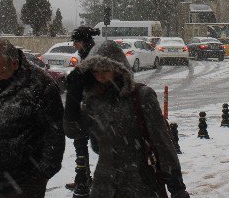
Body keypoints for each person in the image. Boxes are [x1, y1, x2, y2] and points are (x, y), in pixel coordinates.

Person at [65, 41, 190, 198]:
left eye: (105, 70)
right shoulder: (94, 100)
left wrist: (176, 187)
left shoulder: (141, 95)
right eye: (95, 72)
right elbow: (73, 131)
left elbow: (162, 143)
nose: (100, 76)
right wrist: (73, 95)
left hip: (141, 184)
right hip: (103, 186)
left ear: (118, 69)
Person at [0, 39, 65, 198]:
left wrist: (42, 174)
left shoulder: (40, 84)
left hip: (26, 179)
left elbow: (54, 134)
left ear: (15, 63)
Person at [64, 26, 100, 197]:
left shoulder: (90, 57)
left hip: (89, 111)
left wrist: (72, 80)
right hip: (87, 109)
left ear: (82, 42)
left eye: (76, 42)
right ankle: (82, 178)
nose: (74, 45)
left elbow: (81, 81)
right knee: (81, 146)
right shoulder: (90, 54)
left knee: (82, 146)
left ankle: (83, 182)